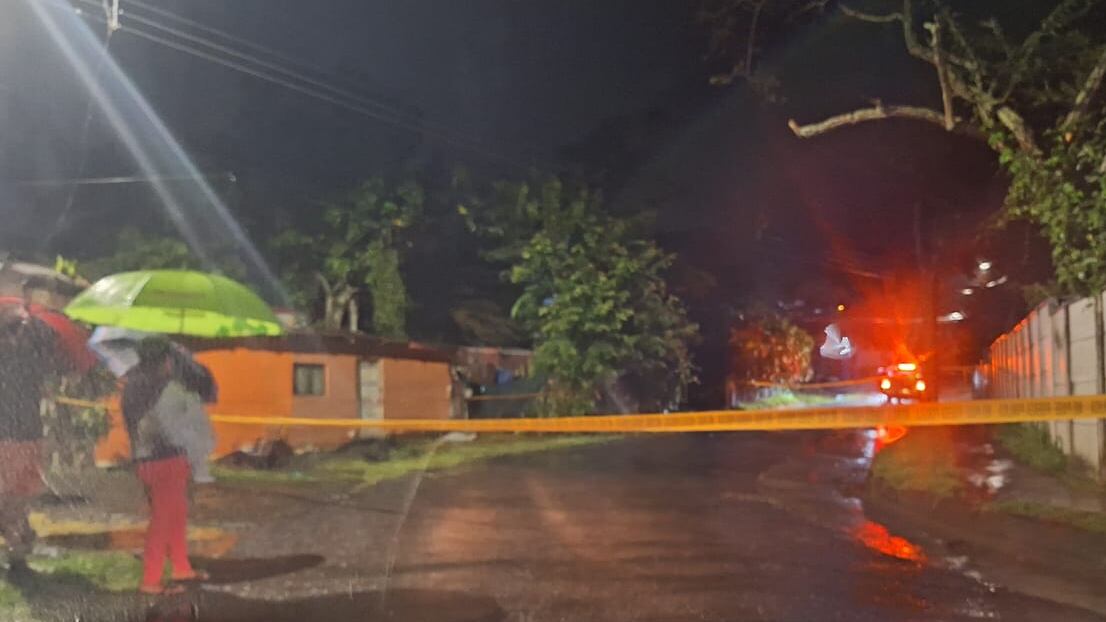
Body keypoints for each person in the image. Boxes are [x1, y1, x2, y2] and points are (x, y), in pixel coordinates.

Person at [122, 340, 211, 594]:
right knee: (163, 519)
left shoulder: (132, 386)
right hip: (166, 459)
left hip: (145, 459)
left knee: (175, 514)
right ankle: (151, 580)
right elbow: (176, 427)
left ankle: (181, 566)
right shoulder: (165, 388)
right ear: (164, 361)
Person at [0, 309, 57, 575]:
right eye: (21, 329)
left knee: (14, 497)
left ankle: (16, 546)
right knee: (17, 498)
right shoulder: (23, 359)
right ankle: (16, 554)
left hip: (14, 437)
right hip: (23, 438)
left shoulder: (21, 358)